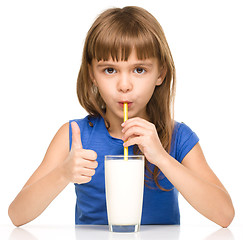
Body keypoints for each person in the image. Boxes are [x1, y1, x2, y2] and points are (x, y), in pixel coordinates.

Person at [8, 6, 234, 227]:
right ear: (92, 75)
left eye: (139, 70)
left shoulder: (178, 137)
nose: (124, 85)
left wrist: (162, 158)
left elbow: (224, 215)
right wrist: (62, 173)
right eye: (109, 70)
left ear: (161, 74)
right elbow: (17, 215)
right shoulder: (75, 135)